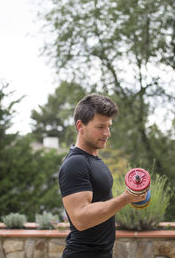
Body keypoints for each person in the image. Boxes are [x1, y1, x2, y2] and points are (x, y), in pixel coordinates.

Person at [58, 94, 147, 258]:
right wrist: (125, 198)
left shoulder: (94, 160)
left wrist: (135, 195)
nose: (107, 133)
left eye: (109, 126)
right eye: (100, 127)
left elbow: (102, 203)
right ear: (80, 126)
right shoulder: (75, 163)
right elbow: (81, 219)